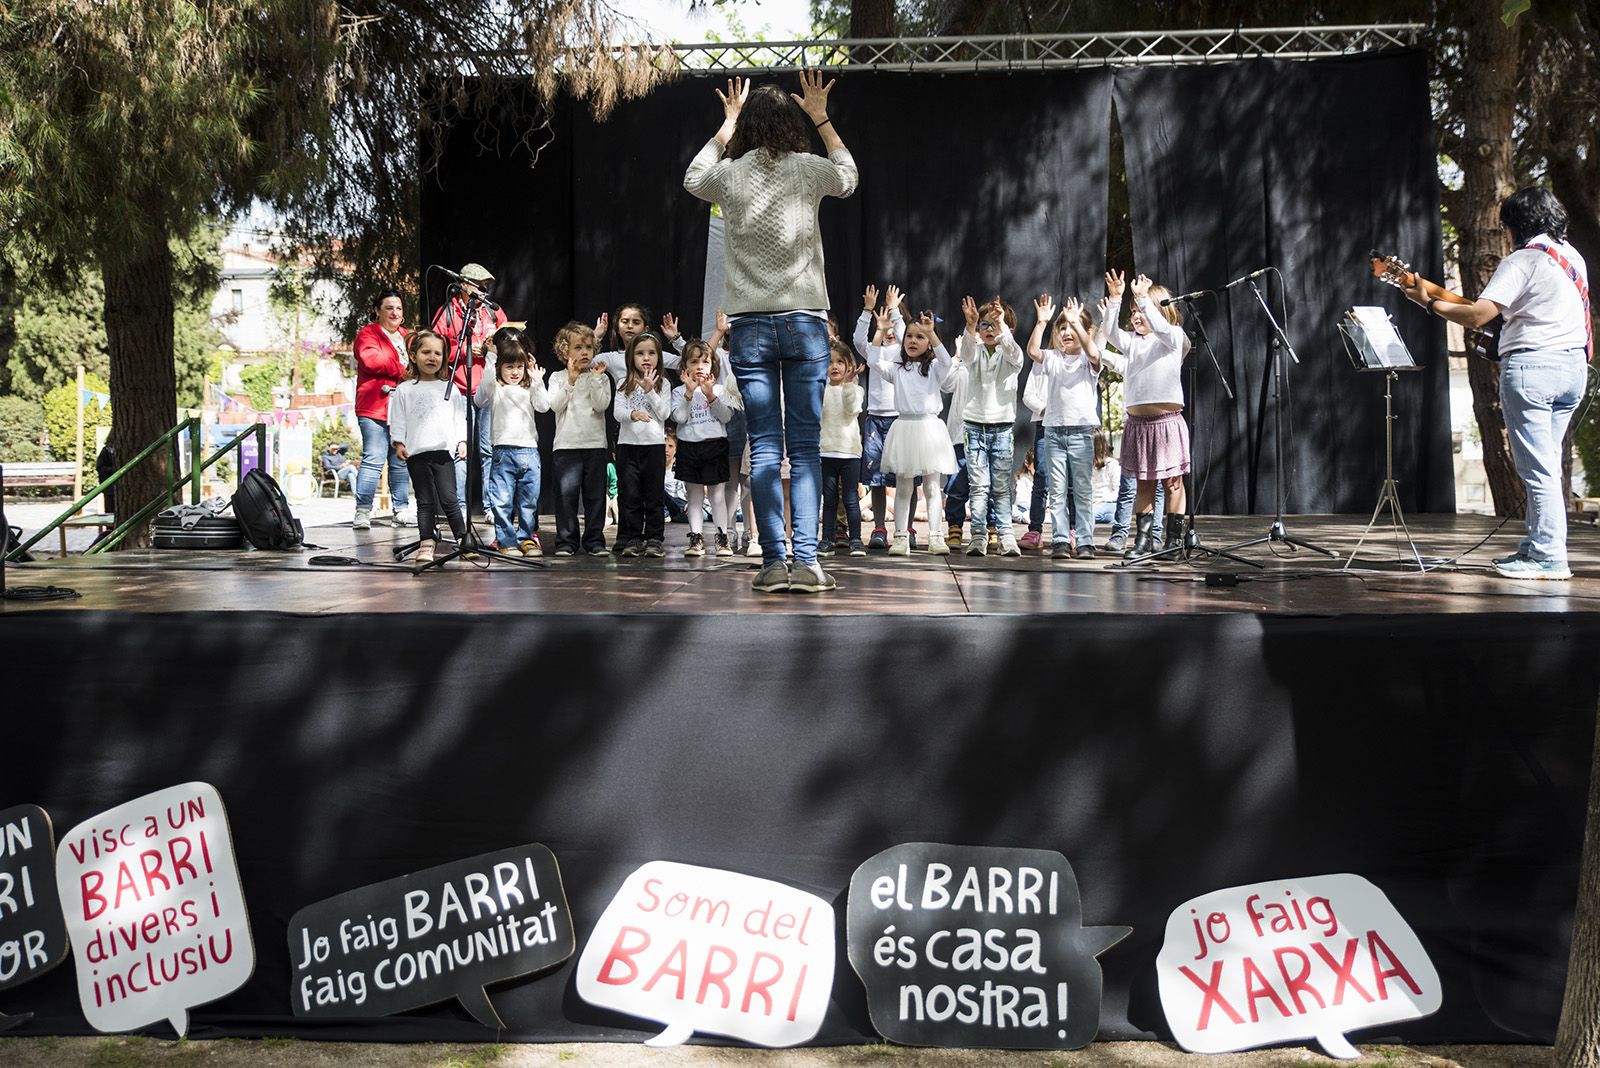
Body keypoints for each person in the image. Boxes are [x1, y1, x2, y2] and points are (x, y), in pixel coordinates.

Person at [683, 70, 858, 594]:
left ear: (746, 128)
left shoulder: (730, 174)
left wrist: (725, 126)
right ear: (790, 123)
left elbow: (693, 178)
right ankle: (806, 564)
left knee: (763, 447)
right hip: (805, 323)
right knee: (804, 448)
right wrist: (822, 117)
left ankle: (773, 564)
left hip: (751, 326)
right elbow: (848, 176)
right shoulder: (807, 169)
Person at [1406, 186, 1590, 580]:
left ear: (1514, 225)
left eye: (1505, 225)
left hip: (1533, 369)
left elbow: (1478, 317)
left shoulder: (1522, 260)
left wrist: (1427, 302)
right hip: (1573, 369)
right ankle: (1536, 546)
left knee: (1537, 471)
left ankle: (1548, 557)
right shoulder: (1570, 257)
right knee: (1547, 467)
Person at [1098, 270, 1191, 558]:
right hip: (1139, 424)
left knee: (1173, 481)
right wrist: (1116, 299)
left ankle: (1174, 540)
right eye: (1134, 311)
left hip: (1166, 422)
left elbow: (1161, 327)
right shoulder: (1133, 343)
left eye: (1142, 310)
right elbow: (1112, 333)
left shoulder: (1172, 337)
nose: (1137, 315)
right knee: (1144, 482)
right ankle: (1143, 539)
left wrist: (1142, 297)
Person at [871, 294, 958, 556]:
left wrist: (932, 335)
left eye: (919, 338)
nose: (912, 341)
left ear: (929, 343)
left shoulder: (934, 368)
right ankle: (899, 536)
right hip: (905, 428)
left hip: (930, 429)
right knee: (903, 487)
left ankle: (935, 535)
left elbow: (946, 361)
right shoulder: (897, 368)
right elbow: (874, 361)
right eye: (909, 336)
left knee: (932, 487)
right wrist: (880, 331)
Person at [1028, 295, 1104, 560]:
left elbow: (1093, 352)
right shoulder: (1053, 358)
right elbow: (1033, 352)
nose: (1067, 332)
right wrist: (1041, 323)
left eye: (1072, 327)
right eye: (1062, 328)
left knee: (1082, 489)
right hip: (1054, 432)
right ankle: (1060, 540)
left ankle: (1085, 541)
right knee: (1057, 489)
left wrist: (1076, 323)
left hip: (1081, 433)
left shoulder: (1088, 360)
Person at [431, 263, 506, 520]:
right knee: (459, 450)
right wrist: (463, 350)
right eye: (478, 284)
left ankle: (490, 507)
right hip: (459, 390)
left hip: (487, 388)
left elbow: (510, 345)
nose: (484, 289)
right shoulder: (448, 313)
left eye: (486, 285)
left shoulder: (493, 313)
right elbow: (434, 349)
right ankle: (460, 508)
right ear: (464, 285)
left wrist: (487, 350)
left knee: (488, 450)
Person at [389, 330, 468, 568]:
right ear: (414, 356)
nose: (431, 357)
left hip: (443, 453)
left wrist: (462, 441)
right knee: (425, 501)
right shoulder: (405, 389)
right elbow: (398, 418)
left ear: (444, 358)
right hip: (417, 454)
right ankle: (426, 541)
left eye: (437, 353)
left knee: (450, 499)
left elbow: (458, 417)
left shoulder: (450, 388)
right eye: (426, 352)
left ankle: (464, 539)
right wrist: (398, 442)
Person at [955, 295, 1025, 557]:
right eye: (984, 325)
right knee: (979, 486)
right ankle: (978, 536)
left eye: (994, 324)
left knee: (1001, 485)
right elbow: (967, 354)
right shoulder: (976, 351)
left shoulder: (1009, 354)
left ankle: (1007, 536)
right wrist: (971, 324)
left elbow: (1016, 355)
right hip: (974, 426)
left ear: (1007, 328)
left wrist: (1002, 325)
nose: (989, 329)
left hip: (1002, 428)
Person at [476, 327, 550, 556]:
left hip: (529, 451)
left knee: (528, 502)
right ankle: (506, 541)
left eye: (519, 366)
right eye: (509, 367)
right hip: (502, 452)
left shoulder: (529, 387)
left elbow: (543, 406)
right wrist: (491, 359)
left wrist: (537, 381)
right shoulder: (496, 387)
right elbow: (479, 400)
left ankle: (527, 539)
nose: (515, 372)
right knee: (502, 501)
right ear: (500, 367)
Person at [548, 322, 611, 557]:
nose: (584, 352)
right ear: (565, 352)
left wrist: (594, 380)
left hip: (595, 445)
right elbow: (555, 405)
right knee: (566, 497)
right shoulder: (557, 377)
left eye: (588, 347)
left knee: (595, 497)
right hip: (566, 446)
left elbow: (601, 405)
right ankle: (566, 541)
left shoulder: (601, 378)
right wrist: (571, 381)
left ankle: (595, 540)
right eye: (578, 347)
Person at [350, 289, 412, 528]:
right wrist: (403, 366)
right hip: (374, 406)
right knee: (373, 458)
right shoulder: (368, 334)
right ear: (378, 310)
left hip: (401, 409)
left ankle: (402, 509)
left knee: (400, 460)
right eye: (389, 308)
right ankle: (363, 511)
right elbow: (371, 361)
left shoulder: (407, 336)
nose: (395, 312)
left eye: (398, 308)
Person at [672, 340, 738, 557]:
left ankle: (722, 538)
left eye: (705, 361)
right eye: (694, 361)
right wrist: (689, 394)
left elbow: (726, 416)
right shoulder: (679, 392)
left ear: (713, 366)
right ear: (685, 367)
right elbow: (679, 417)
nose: (700, 366)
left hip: (714, 446)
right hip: (689, 447)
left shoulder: (719, 389)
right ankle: (696, 538)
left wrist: (710, 396)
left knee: (717, 495)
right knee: (694, 496)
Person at [612, 332, 673, 558]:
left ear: (659, 357)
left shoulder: (663, 383)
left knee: (654, 496)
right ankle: (633, 538)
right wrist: (633, 413)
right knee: (631, 495)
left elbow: (665, 413)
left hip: (653, 447)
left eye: (651, 353)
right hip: (628, 446)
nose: (646, 358)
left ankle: (655, 538)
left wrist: (650, 391)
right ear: (631, 357)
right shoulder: (623, 382)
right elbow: (617, 413)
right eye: (640, 353)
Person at [819, 340, 867, 556]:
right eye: (830, 362)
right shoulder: (821, 390)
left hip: (849, 453)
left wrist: (848, 385)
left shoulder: (855, 390)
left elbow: (852, 409)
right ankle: (827, 539)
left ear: (850, 366)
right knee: (829, 500)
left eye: (840, 362)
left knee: (850, 499)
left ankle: (856, 539)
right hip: (826, 451)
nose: (835, 366)